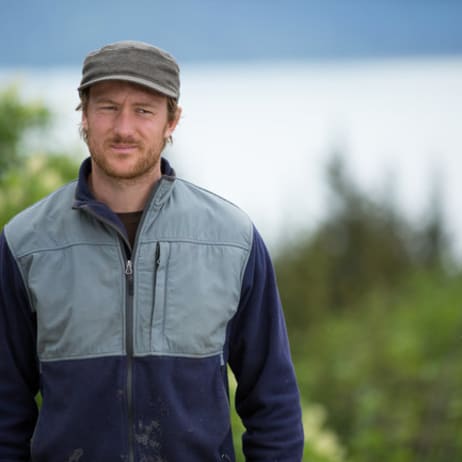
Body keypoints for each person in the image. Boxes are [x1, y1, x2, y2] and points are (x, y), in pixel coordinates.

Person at [0, 41, 304, 461]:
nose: (124, 127)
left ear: (171, 120)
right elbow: (4, 409)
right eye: (107, 107)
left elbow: (274, 404)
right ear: (84, 116)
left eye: (144, 110)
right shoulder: (26, 243)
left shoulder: (233, 240)